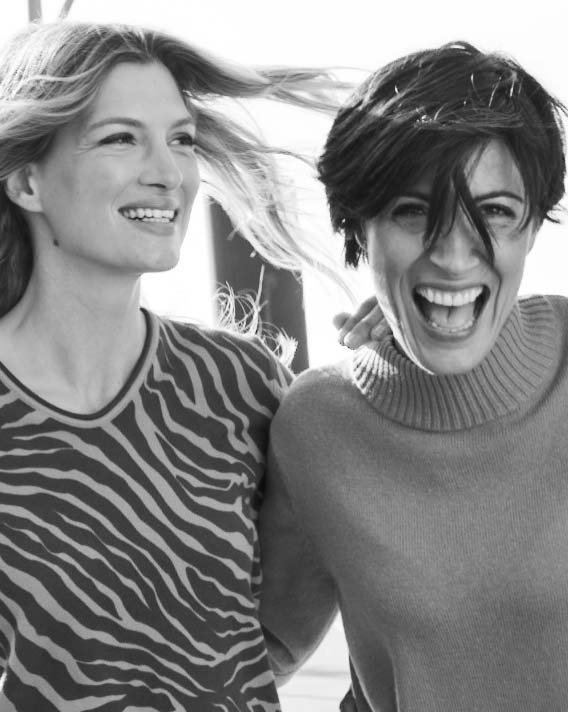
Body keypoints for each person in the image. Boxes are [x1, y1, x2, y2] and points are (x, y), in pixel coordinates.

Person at [259, 41, 568, 711]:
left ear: (533, 225)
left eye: (495, 212)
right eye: (412, 211)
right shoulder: (315, 425)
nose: (452, 254)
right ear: (358, 224)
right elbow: (258, 650)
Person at [0, 20, 346, 709]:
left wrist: (398, 365)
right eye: (120, 138)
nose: (168, 174)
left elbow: (277, 633)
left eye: (181, 140)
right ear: (26, 181)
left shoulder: (241, 385)